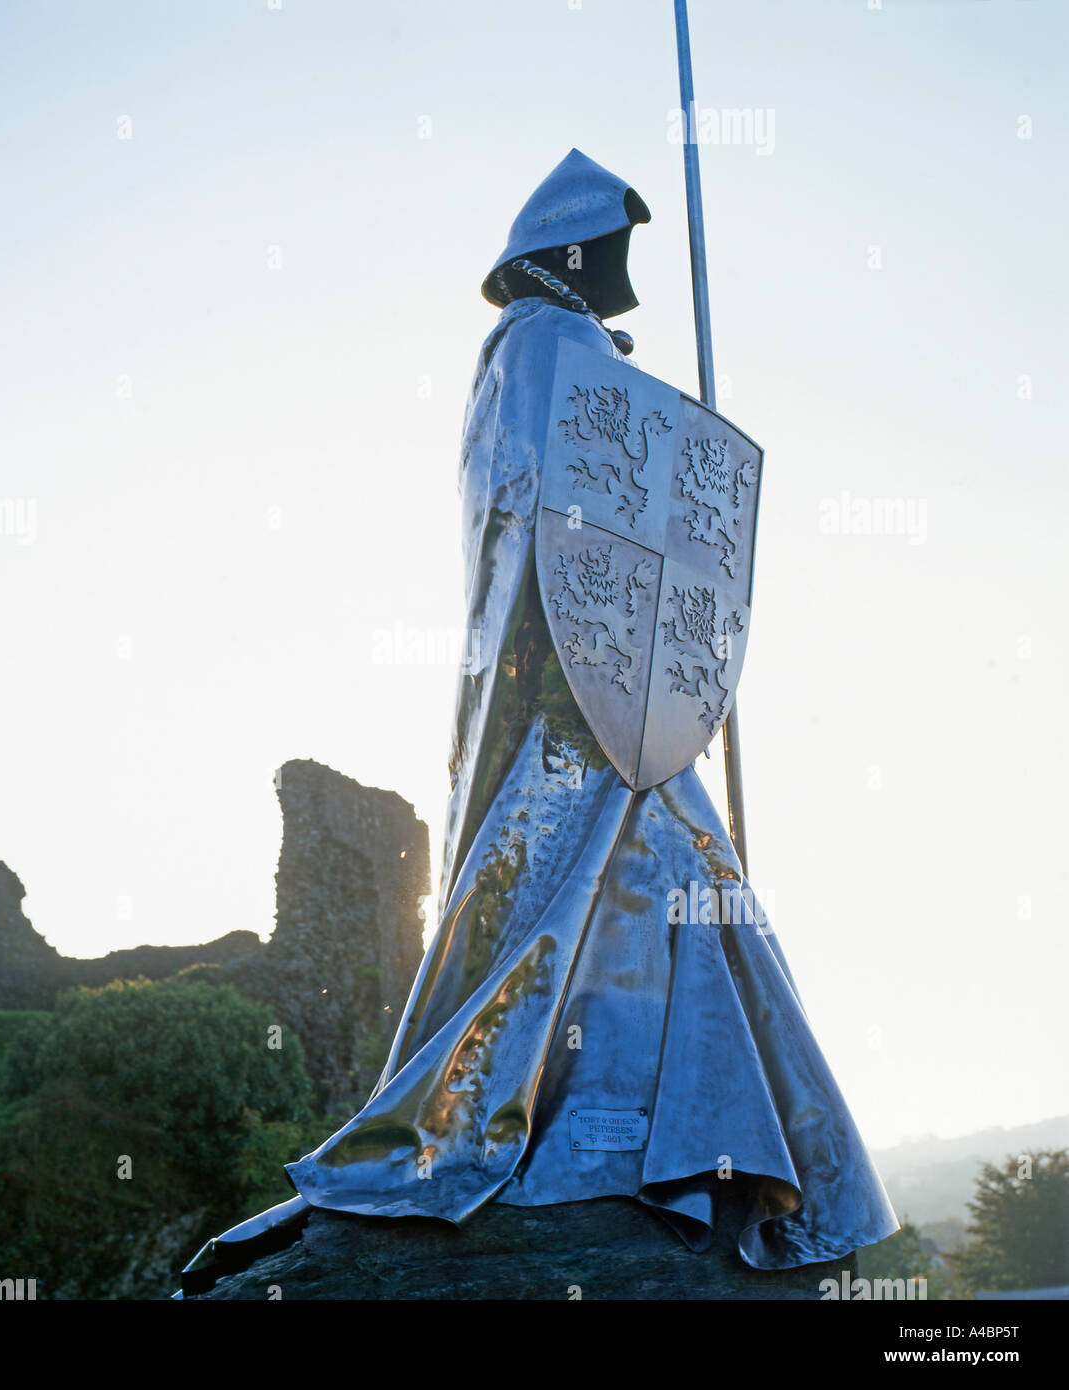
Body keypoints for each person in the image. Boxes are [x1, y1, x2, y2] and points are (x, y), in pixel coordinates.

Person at [184, 149, 897, 1293]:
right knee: (633, 881)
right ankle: (637, 1139)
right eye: (610, 246)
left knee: (670, 883)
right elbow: (549, 514)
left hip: (612, 696)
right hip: (578, 696)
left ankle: (683, 1143)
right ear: (570, 250)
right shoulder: (539, 346)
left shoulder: (540, 354)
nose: (624, 269)